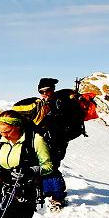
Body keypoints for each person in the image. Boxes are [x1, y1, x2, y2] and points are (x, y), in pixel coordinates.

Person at [32, 77, 69, 210]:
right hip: (45, 142)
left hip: (57, 143)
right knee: (43, 166)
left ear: (53, 89)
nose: (44, 93)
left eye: (47, 90)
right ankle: (46, 191)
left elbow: (58, 125)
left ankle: (58, 197)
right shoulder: (43, 104)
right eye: (41, 91)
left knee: (51, 168)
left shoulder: (59, 104)